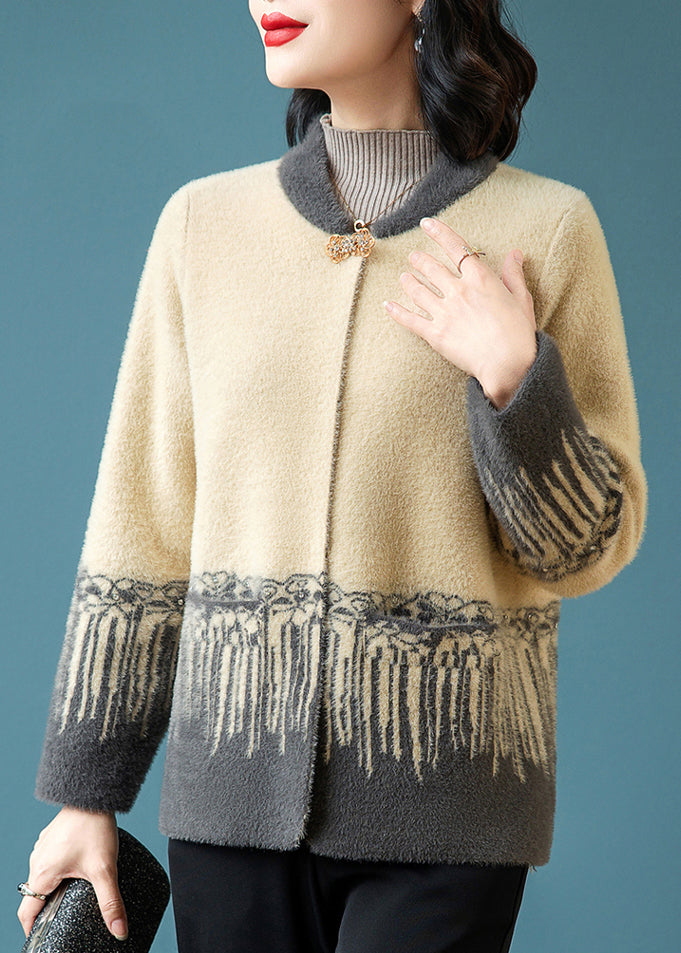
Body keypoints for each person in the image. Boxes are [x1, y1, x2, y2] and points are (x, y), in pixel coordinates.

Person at [19, 1, 647, 951]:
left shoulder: (546, 228)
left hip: (447, 805)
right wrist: (85, 796)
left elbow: (585, 551)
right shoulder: (201, 226)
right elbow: (140, 524)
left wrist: (515, 377)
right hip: (227, 807)